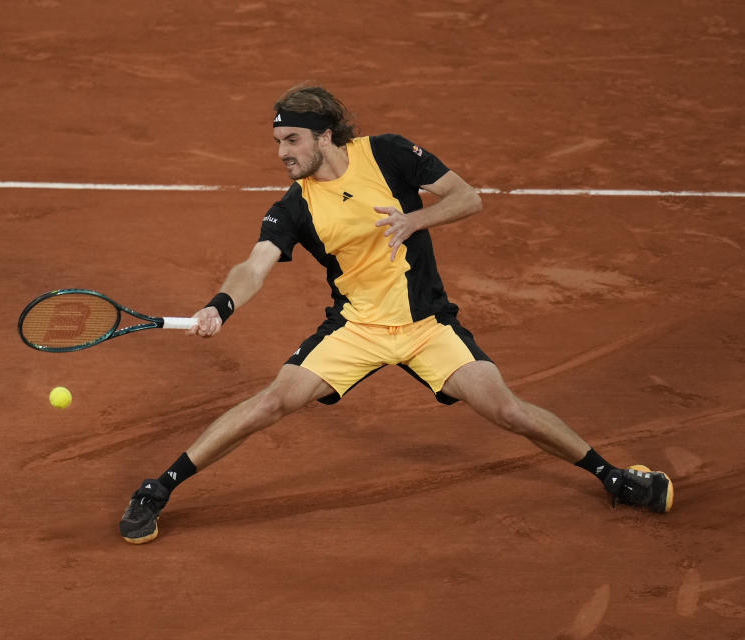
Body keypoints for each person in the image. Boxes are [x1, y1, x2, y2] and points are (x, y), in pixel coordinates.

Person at [119, 84, 674, 545]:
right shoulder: (294, 205)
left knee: (508, 411)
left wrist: (414, 221)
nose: (282, 152)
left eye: (292, 140)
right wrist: (220, 306)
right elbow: (253, 265)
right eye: (277, 141)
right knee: (272, 401)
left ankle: (615, 477)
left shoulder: (387, 154)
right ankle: (158, 488)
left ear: (325, 136)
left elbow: (468, 197)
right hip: (356, 328)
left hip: (427, 326)